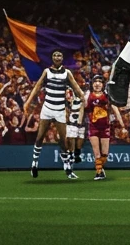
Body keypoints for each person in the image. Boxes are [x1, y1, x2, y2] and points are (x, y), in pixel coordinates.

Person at [22, 50, 84, 180]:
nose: (57, 57)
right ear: (52, 58)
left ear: (62, 58)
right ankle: (34, 164)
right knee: (40, 137)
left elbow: (77, 88)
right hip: (47, 108)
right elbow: (37, 87)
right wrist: (27, 102)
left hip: (60, 109)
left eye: (59, 55)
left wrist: (84, 99)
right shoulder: (46, 72)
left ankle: (68, 168)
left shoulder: (67, 73)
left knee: (63, 141)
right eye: (55, 55)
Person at [83, 75, 126, 181]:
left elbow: (115, 110)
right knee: (96, 152)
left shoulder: (107, 97)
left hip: (105, 127)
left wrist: (122, 125)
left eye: (100, 82)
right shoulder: (88, 96)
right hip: (93, 127)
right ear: (92, 84)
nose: (97, 84)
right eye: (95, 82)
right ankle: (98, 172)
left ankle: (100, 169)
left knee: (105, 153)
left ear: (103, 84)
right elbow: (83, 109)